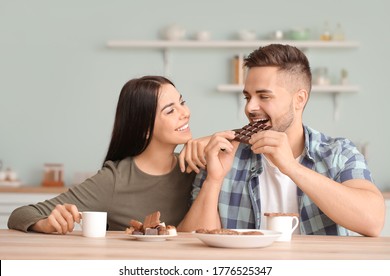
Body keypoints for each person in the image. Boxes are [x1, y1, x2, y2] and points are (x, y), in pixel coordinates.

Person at [178, 44, 385, 237]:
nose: (250, 108)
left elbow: (373, 221)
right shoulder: (222, 157)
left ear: (299, 99)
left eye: (264, 96)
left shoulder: (339, 153)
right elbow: (193, 242)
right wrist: (214, 180)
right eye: (248, 97)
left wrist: (291, 167)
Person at [8, 75, 195, 234]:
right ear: (144, 128)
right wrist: (44, 223)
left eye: (182, 102)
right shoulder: (115, 179)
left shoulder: (195, 166)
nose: (185, 112)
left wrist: (208, 143)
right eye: (170, 110)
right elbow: (21, 214)